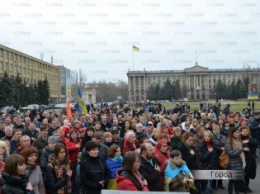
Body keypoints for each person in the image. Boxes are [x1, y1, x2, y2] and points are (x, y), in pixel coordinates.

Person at [225, 127, 246, 194]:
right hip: (232, 164)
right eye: (236, 132)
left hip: (239, 163)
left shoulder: (238, 140)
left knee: (238, 181)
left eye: (238, 132)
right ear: (232, 133)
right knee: (232, 181)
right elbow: (231, 154)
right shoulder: (228, 141)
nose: (238, 133)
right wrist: (240, 149)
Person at [239, 126, 258, 193]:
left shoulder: (250, 138)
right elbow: (235, 147)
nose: (245, 132)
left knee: (248, 174)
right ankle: (242, 187)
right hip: (242, 159)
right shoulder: (238, 139)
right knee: (242, 174)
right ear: (240, 132)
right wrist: (242, 143)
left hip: (250, 159)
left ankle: (246, 186)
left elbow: (256, 144)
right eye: (244, 131)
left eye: (246, 131)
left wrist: (249, 141)